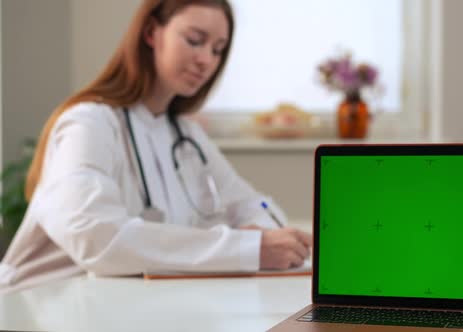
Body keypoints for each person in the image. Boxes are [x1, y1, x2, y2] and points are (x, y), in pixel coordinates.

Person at [0, 0, 312, 293]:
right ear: (151, 33)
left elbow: (253, 203)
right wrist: (246, 249)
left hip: (121, 304)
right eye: (194, 40)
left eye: (218, 50)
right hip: (36, 305)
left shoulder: (185, 135)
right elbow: (95, 237)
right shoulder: (89, 123)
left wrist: (261, 233)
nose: (207, 60)